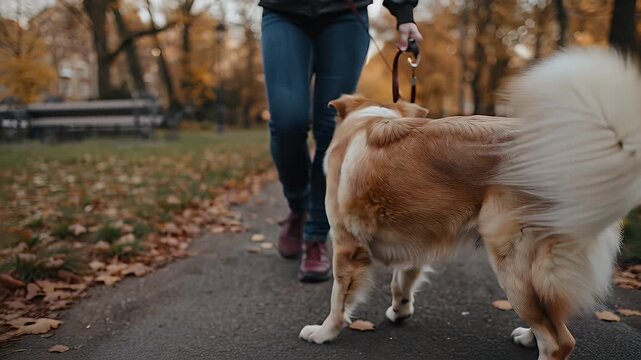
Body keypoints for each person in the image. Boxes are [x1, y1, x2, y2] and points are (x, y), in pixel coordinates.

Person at [259, 0, 422, 282]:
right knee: (288, 123)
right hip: (283, 11)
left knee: (330, 129)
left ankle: (315, 237)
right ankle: (299, 206)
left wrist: (404, 13)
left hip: (346, 14)